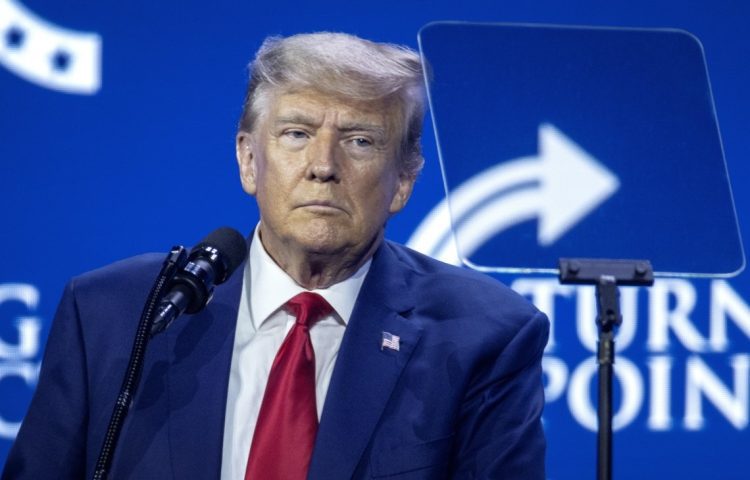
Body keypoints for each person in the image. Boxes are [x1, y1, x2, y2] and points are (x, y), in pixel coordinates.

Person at [2, 32, 549, 479]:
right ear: (247, 159)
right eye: (296, 133)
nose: (323, 166)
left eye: (360, 140)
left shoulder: (484, 336)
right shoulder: (116, 313)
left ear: (404, 180)